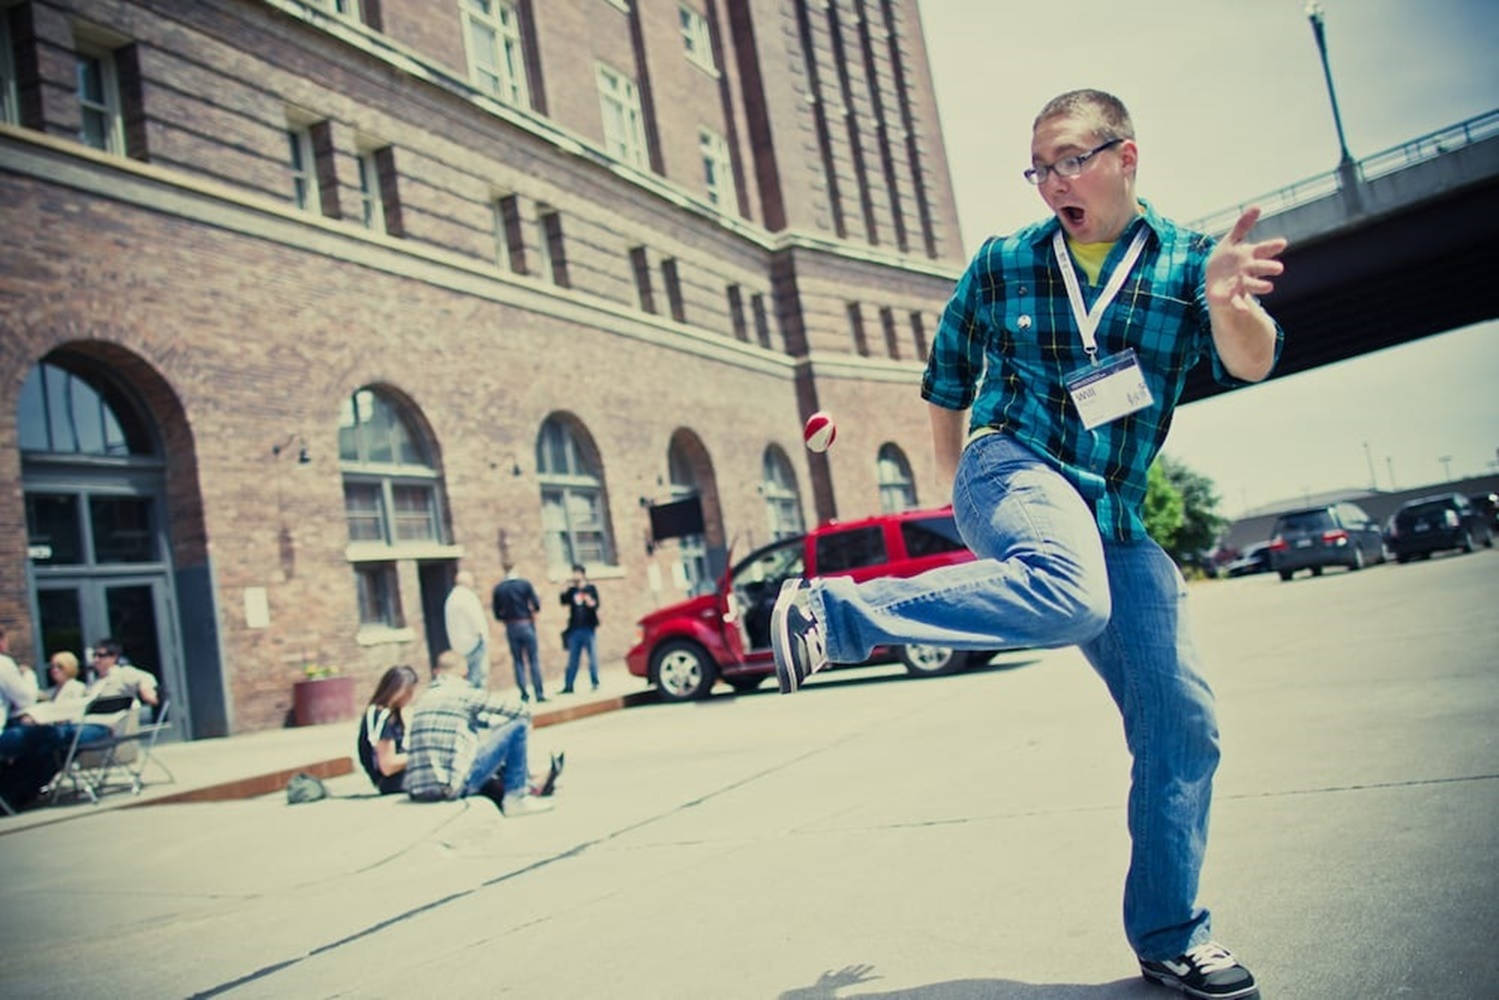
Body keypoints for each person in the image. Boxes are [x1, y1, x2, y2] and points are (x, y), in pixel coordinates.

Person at [769, 90, 1283, 1000]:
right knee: (1067, 592)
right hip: (1010, 467)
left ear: (1126, 157)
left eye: (1068, 162)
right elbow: (946, 374)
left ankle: (1170, 934)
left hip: (1112, 515)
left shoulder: (1185, 269)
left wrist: (1226, 304)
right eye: (1038, 168)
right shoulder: (1006, 262)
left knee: (1181, 728)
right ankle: (834, 614)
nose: (1051, 184)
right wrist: (950, 479)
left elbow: (1250, 358)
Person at [403, 649, 553, 815]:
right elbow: (520, 711)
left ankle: (529, 782)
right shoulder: (464, 693)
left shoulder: (425, 699)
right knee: (519, 726)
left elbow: (479, 720)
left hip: (418, 789)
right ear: (464, 670)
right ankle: (516, 797)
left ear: (437, 671)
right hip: (451, 787)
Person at [356, 665, 419, 795]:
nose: (410, 697)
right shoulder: (379, 715)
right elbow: (388, 765)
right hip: (388, 780)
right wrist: (419, 754)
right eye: (409, 692)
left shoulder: (392, 713)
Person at [491, 563, 546, 702]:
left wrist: (505, 618)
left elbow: (496, 613)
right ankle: (539, 693)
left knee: (518, 661)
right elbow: (536, 604)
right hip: (526, 623)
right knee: (533, 659)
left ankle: (524, 693)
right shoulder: (524, 584)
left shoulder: (499, 588)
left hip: (510, 625)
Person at [444, 570, 491, 689]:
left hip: (459, 643)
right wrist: (483, 636)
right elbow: (475, 618)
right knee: (478, 676)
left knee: (469, 675)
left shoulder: (452, 597)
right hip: (474, 641)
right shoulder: (467, 596)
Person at [559, 563, 601, 693]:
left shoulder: (591, 589)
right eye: (573, 573)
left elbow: (596, 605)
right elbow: (563, 601)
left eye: (576, 573)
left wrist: (589, 600)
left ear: (582, 574)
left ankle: (595, 682)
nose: (574, 575)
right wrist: (563, 587)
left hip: (588, 628)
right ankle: (569, 685)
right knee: (573, 659)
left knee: (592, 657)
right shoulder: (572, 591)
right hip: (575, 630)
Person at [86, 639, 159, 708]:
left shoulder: (123, 672)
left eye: (100, 655)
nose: (96, 659)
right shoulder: (95, 682)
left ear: (113, 657)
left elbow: (145, 677)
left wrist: (146, 690)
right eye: (94, 655)